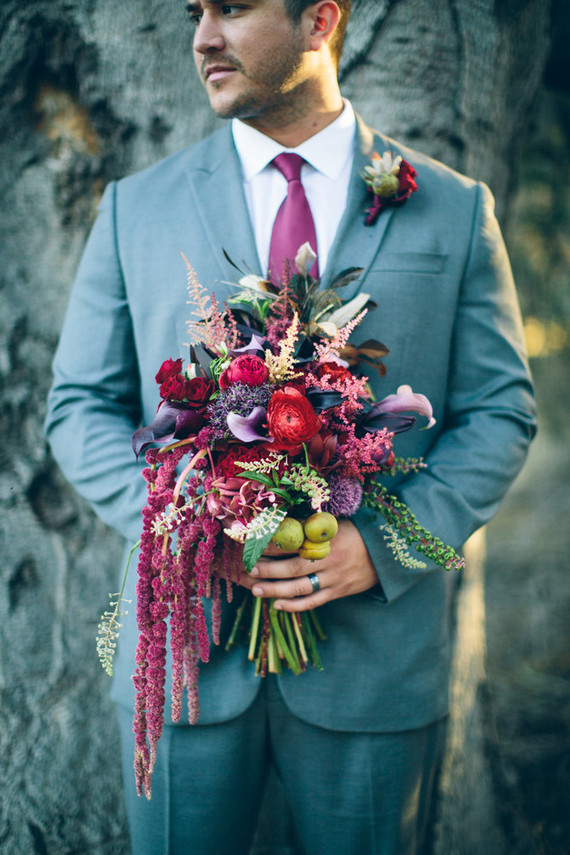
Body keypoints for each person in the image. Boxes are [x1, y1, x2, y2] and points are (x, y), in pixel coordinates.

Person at [45, 1, 536, 853]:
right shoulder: (137, 207)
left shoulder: (453, 210)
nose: (202, 36)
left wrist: (383, 550)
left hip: (377, 668)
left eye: (233, 8)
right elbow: (79, 406)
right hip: (184, 665)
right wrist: (188, 531)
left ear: (319, 21)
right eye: (195, 12)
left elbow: (501, 412)